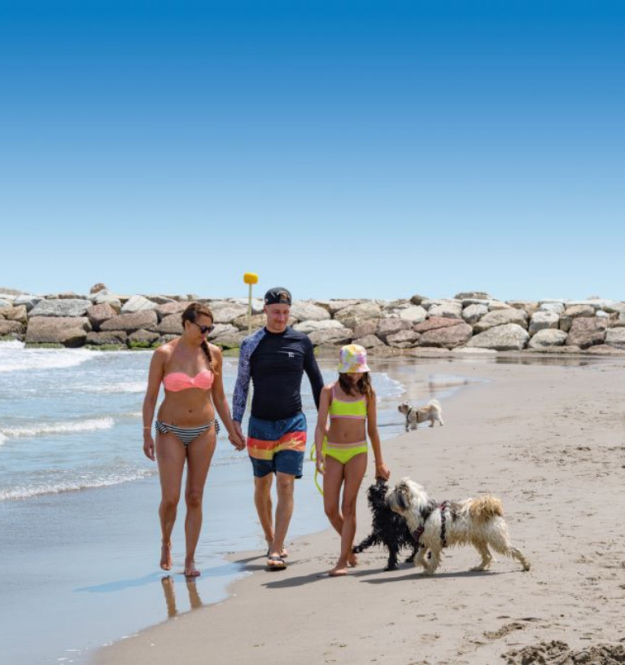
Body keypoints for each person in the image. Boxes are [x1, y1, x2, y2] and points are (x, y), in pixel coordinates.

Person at [143, 302, 245, 577]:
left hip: (204, 431)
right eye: (202, 328)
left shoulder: (213, 354)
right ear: (187, 324)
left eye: (210, 328)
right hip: (169, 431)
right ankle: (166, 541)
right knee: (171, 498)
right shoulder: (163, 354)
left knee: (195, 497)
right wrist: (145, 432)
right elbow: (151, 396)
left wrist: (233, 428)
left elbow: (219, 396)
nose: (207, 333)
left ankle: (190, 560)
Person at [232, 287, 324, 570]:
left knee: (285, 483)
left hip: (293, 423)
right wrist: (235, 421)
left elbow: (317, 383)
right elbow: (241, 384)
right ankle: (271, 537)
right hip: (259, 424)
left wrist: (326, 421)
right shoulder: (251, 343)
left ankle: (276, 548)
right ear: (265, 311)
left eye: (285, 312)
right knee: (263, 485)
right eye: (276, 312)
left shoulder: (301, 341)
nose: (281, 317)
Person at [314, 344, 390, 576]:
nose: (356, 374)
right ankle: (349, 550)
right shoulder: (329, 391)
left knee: (349, 507)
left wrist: (380, 463)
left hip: (358, 452)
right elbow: (320, 426)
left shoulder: (369, 394)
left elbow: (373, 431)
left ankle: (342, 561)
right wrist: (319, 454)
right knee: (329, 508)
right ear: (342, 369)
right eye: (351, 370)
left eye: (359, 370)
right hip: (334, 452)